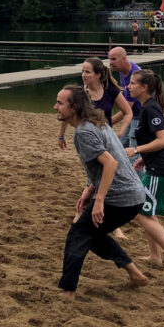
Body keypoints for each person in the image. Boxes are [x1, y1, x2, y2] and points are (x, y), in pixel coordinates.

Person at [54, 85, 151, 298]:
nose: (55, 107)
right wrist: (89, 189)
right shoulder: (97, 123)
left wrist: (99, 200)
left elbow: (111, 164)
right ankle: (135, 274)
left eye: (60, 103)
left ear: (75, 107)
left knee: (78, 234)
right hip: (133, 195)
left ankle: (68, 291)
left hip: (121, 197)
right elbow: (105, 164)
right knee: (92, 235)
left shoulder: (84, 132)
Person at [123, 69, 164, 273]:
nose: (128, 86)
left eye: (132, 83)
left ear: (145, 88)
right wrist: (144, 157)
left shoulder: (151, 108)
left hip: (162, 168)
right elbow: (161, 140)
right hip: (156, 164)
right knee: (146, 211)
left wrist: (137, 150)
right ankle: (155, 256)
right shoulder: (148, 107)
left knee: (140, 212)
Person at [56, 58, 133, 149]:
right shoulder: (79, 93)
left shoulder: (110, 90)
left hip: (106, 138)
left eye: (88, 72)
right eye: (83, 71)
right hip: (87, 138)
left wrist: (121, 132)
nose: (83, 75)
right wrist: (61, 135)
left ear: (98, 75)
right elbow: (66, 113)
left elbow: (128, 112)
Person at [108, 47, 142, 154]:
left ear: (124, 58)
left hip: (141, 116)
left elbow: (126, 109)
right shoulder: (122, 71)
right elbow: (123, 95)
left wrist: (108, 122)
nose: (110, 63)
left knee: (133, 151)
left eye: (113, 59)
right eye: (109, 59)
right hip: (132, 115)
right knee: (120, 146)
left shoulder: (135, 75)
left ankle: (137, 171)